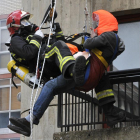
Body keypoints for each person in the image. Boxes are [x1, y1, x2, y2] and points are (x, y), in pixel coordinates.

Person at [7, 9, 126, 137]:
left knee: (51, 85)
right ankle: (73, 71)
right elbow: (29, 52)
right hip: (46, 60)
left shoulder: (37, 35)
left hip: (67, 67)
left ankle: (28, 121)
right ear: (15, 26)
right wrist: (38, 36)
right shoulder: (17, 39)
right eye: (24, 22)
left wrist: (56, 28)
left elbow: (64, 41)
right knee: (59, 46)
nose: (28, 24)